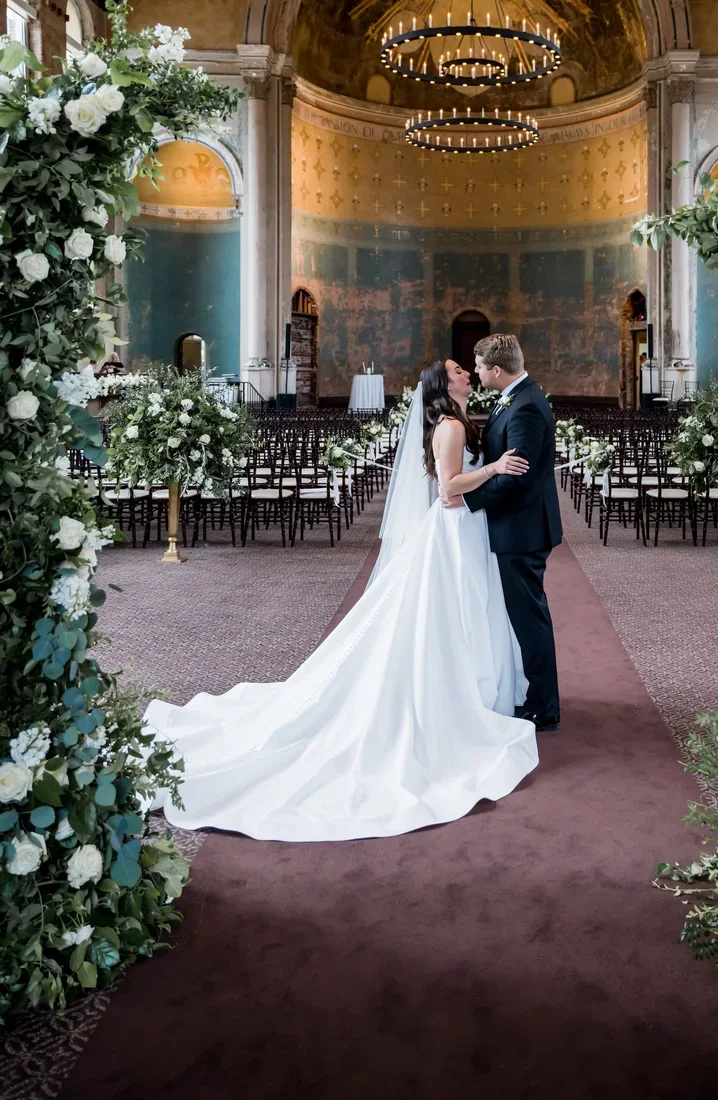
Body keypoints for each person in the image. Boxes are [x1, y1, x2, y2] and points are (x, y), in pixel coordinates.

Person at [143, 358, 538, 841]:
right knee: (450, 614)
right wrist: (496, 466)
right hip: (454, 529)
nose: (466, 373)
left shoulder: (455, 420)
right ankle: (455, 694)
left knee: (455, 616)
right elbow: (451, 490)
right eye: (459, 369)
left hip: (461, 532)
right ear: (443, 384)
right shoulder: (452, 426)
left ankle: (467, 684)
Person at [449, 334, 562, 731]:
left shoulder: (527, 406)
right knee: (525, 614)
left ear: (496, 370)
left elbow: (517, 477)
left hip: (523, 528)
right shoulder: (517, 396)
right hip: (517, 524)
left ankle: (543, 706)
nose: (476, 373)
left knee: (530, 617)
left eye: (478, 367)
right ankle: (536, 695)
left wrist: (469, 500)